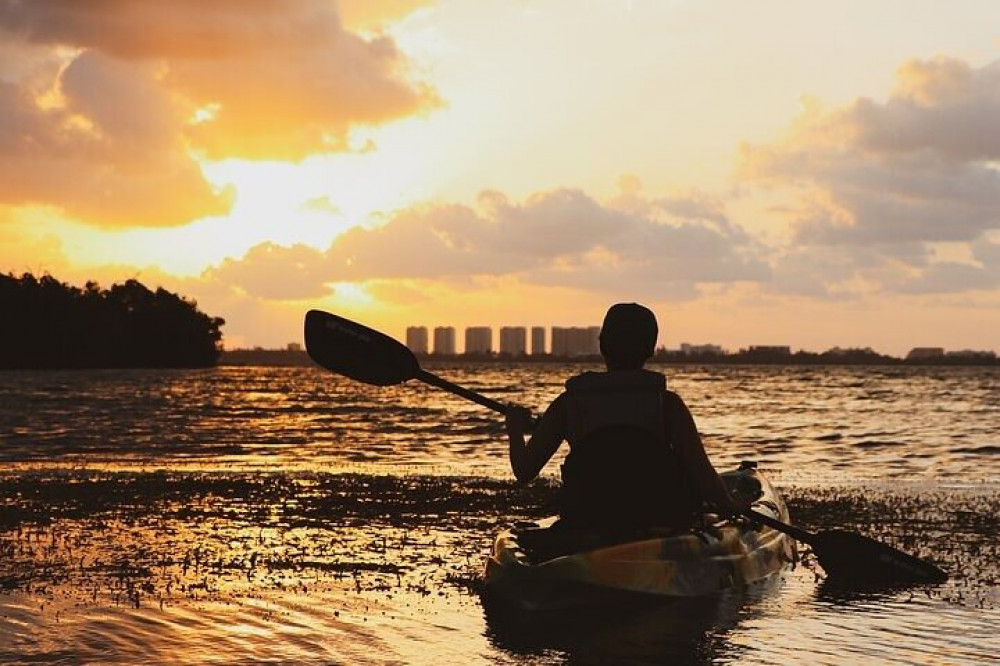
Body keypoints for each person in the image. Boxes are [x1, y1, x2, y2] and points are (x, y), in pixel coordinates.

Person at [504, 303, 741, 531]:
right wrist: (731, 508)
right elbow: (704, 479)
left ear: (602, 345)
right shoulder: (667, 405)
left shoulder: (568, 404)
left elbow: (524, 472)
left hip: (587, 518)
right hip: (656, 519)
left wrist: (515, 430)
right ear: (651, 349)